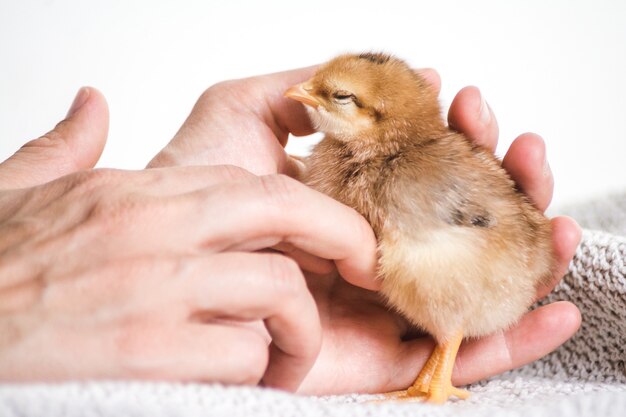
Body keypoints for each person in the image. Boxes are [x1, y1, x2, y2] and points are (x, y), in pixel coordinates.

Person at [0, 66, 581, 394]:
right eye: (318, 88)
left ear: (378, 119)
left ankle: (439, 366)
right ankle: (437, 366)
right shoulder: (338, 165)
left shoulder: (414, 168)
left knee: (424, 263)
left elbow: (492, 244)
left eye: (338, 98)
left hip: (480, 265)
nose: (305, 97)